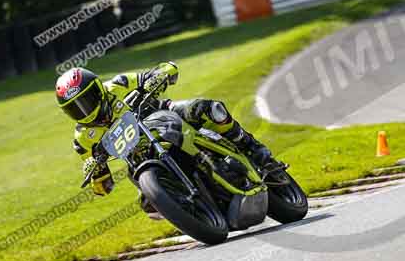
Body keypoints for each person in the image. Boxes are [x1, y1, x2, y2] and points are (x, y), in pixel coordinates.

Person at [54, 62, 273, 219]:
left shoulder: (117, 85)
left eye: (87, 99)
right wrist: (95, 170)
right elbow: (103, 187)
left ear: (98, 89)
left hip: (165, 116)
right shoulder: (82, 139)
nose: (84, 109)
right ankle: (185, 210)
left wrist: (157, 78)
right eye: (75, 107)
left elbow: (163, 70)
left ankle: (252, 148)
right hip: (140, 156)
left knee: (209, 108)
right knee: (149, 203)